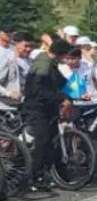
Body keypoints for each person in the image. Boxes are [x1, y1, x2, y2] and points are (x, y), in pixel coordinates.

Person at [23, 39, 71, 190]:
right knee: (42, 142)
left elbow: (61, 82)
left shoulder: (50, 63)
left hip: (48, 108)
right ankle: (33, 177)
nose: (66, 58)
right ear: (60, 53)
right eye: (65, 55)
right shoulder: (43, 65)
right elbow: (38, 91)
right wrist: (60, 97)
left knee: (52, 142)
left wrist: (66, 95)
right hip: (37, 109)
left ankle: (50, 173)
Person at [0, 31, 33, 105]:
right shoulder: (7, 60)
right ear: (16, 44)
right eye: (26, 46)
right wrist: (8, 93)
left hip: (24, 105)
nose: (29, 49)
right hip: (6, 107)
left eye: (31, 46)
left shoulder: (31, 62)